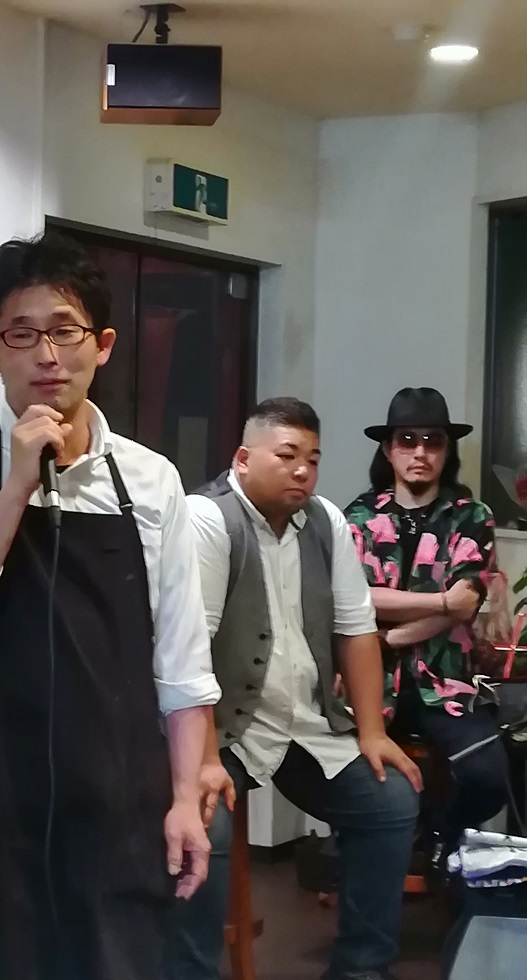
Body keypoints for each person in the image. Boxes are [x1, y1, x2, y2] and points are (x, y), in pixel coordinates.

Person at [0, 232, 221, 980]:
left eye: (65, 331)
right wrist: (15, 485)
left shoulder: (151, 480)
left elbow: (181, 659)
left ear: (101, 345)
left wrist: (183, 795)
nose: (47, 355)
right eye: (22, 334)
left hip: (120, 787)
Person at [169, 397, 422, 980]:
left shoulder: (326, 521)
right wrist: (201, 761)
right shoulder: (207, 518)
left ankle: (362, 968)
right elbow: (187, 652)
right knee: (205, 824)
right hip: (221, 730)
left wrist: (372, 731)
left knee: (389, 800)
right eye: (287, 456)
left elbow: (356, 629)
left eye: (313, 458)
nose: (303, 470)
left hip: (305, 722)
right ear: (243, 458)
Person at [345, 387, 509, 867]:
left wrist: (387, 635)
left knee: (489, 776)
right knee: (344, 771)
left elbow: (465, 605)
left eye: (432, 440)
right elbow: (357, 598)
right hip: (370, 683)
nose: (420, 452)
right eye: (407, 440)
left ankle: (440, 830)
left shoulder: (471, 516)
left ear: (447, 449)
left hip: (447, 683)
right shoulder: (359, 516)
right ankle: (364, 857)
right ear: (388, 449)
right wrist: (439, 600)